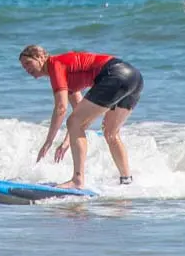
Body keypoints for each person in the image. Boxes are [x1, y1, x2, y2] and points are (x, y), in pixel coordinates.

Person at [18, 44, 143, 189]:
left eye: (28, 63)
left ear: (40, 57)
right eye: (23, 67)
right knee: (110, 132)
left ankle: (77, 180)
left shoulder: (55, 64)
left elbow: (61, 108)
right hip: (134, 77)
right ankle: (126, 180)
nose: (27, 69)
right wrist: (66, 141)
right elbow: (79, 111)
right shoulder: (65, 74)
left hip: (114, 75)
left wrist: (48, 142)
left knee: (75, 122)